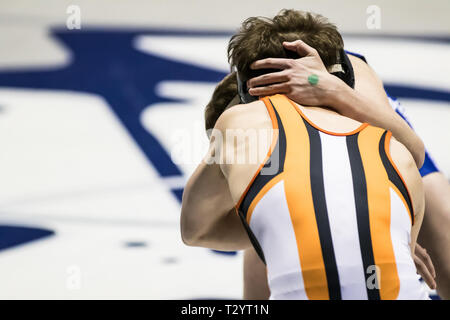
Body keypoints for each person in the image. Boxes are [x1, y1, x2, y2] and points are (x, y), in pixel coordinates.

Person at [181, 10, 429, 300]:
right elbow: (414, 153)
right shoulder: (396, 150)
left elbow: (193, 230)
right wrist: (336, 93)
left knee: (264, 209)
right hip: (402, 263)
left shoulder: (240, 120)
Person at [244, 25, 450, 301]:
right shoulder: (249, 100)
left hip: (381, 148)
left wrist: (331, 90)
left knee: (445, 250)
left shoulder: (351, 69)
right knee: (271, 236)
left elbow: (413, 153)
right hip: (301, 162)